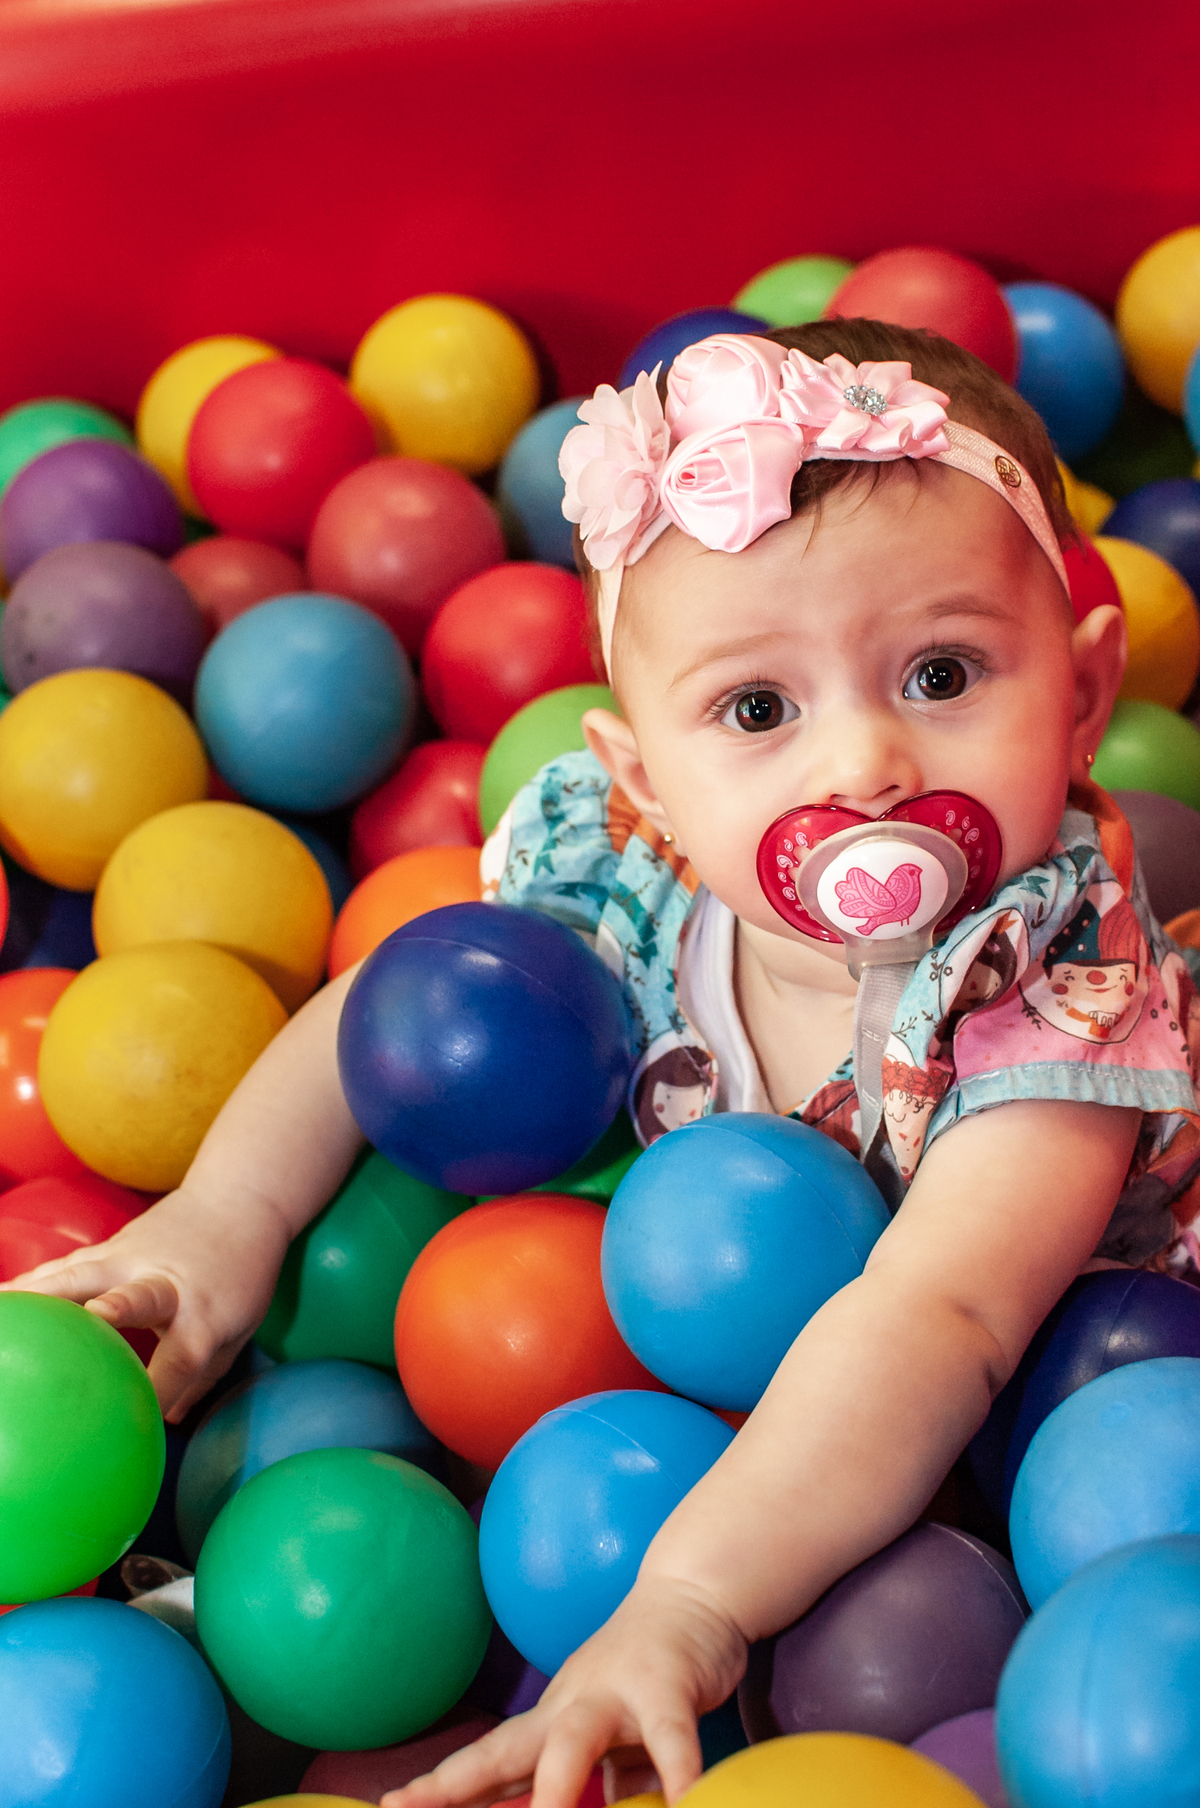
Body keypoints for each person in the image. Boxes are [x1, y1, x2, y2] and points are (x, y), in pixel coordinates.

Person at [7, 319, 1200, 1808]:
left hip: (1043, 1370)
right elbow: (395, 1016)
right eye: (757, 709)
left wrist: (690, 1601)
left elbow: (942, 1319)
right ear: (645, 779)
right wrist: (221, 1220)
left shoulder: (1056, 987)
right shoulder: (625, 879)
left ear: (1084, 697)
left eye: (943, 672)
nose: (863, 766)